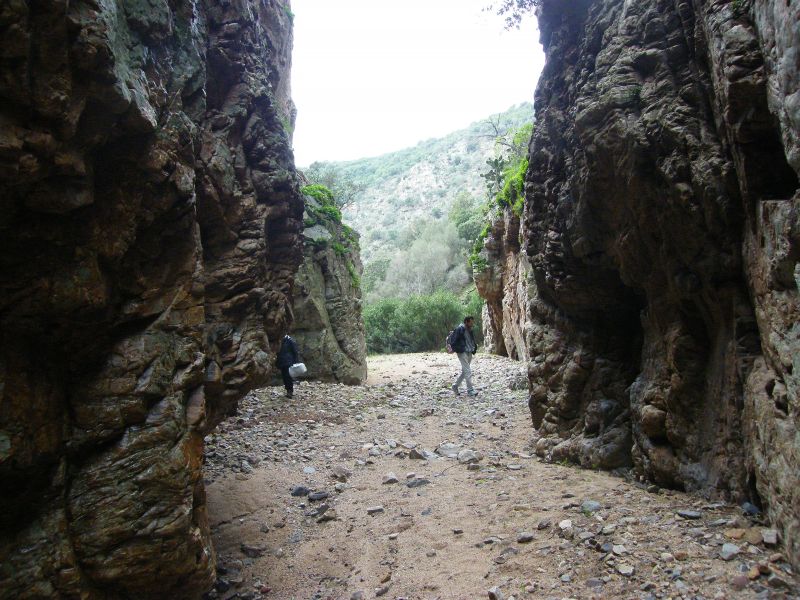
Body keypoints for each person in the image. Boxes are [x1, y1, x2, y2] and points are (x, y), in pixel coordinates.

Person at [450, 316, 478, 396]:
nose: (472, 324)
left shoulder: (470, 330)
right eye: (471, 322)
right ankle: (470, 390)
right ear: (466, 322)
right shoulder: (459, 329)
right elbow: (454, 341)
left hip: (469, 351)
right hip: (462, 352)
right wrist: (458, 349)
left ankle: (455, 386)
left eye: (472, 322)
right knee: (468, 371)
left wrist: (474, 347)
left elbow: (471, 340)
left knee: (465, 371)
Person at [276, 334, 300, 398]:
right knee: (284, 376)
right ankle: (288, 390)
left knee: (288, 376)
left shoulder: (290, 340)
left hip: (288, 362)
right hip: (282, 361)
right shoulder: (279, 340)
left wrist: (296, 362)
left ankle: (290, 391)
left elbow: (295, 351)